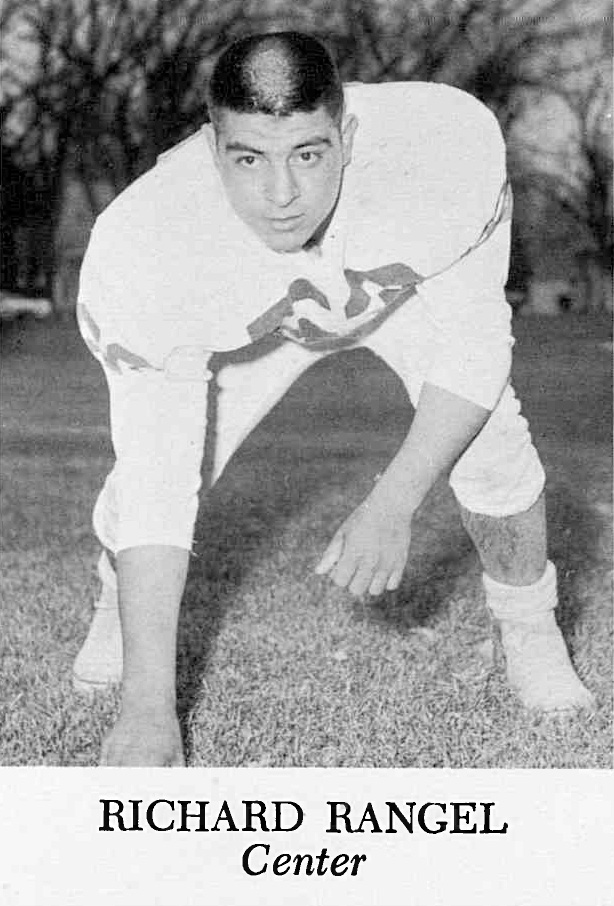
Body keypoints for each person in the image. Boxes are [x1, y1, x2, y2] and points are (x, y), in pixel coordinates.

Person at [73, 31, 594, 766]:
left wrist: (393, 502)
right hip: (251, 323)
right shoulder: (149, 243)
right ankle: (114, 609)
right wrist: (148, 711)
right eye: (248, 157)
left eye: (308, 154)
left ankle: (530, 627)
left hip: (395, 296)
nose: (281, 194)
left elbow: (475, 351)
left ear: (346, 135)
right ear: (209, 145)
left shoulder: (439, 147)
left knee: (492, 437)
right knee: (152, 480)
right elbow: (159, 480)